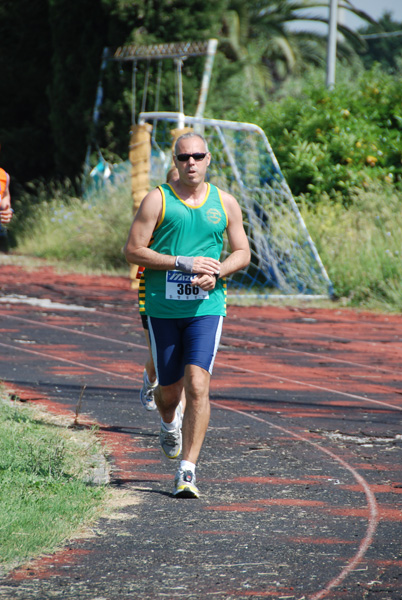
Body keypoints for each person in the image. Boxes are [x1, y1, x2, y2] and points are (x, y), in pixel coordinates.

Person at [124, 132, 250, 498]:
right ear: (175, 161)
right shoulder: (157, 199)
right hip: (162, 308)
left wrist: (219, 271)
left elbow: (242, 252)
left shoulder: (224, 202)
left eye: (197, 156)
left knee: (197, 385)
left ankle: (188, 471)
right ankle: (168, 422)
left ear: (208, 159)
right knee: (169, 395)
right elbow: (133, 250)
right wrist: (182, 262)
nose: (191, 163)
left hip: (206, 309)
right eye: (184, 158)